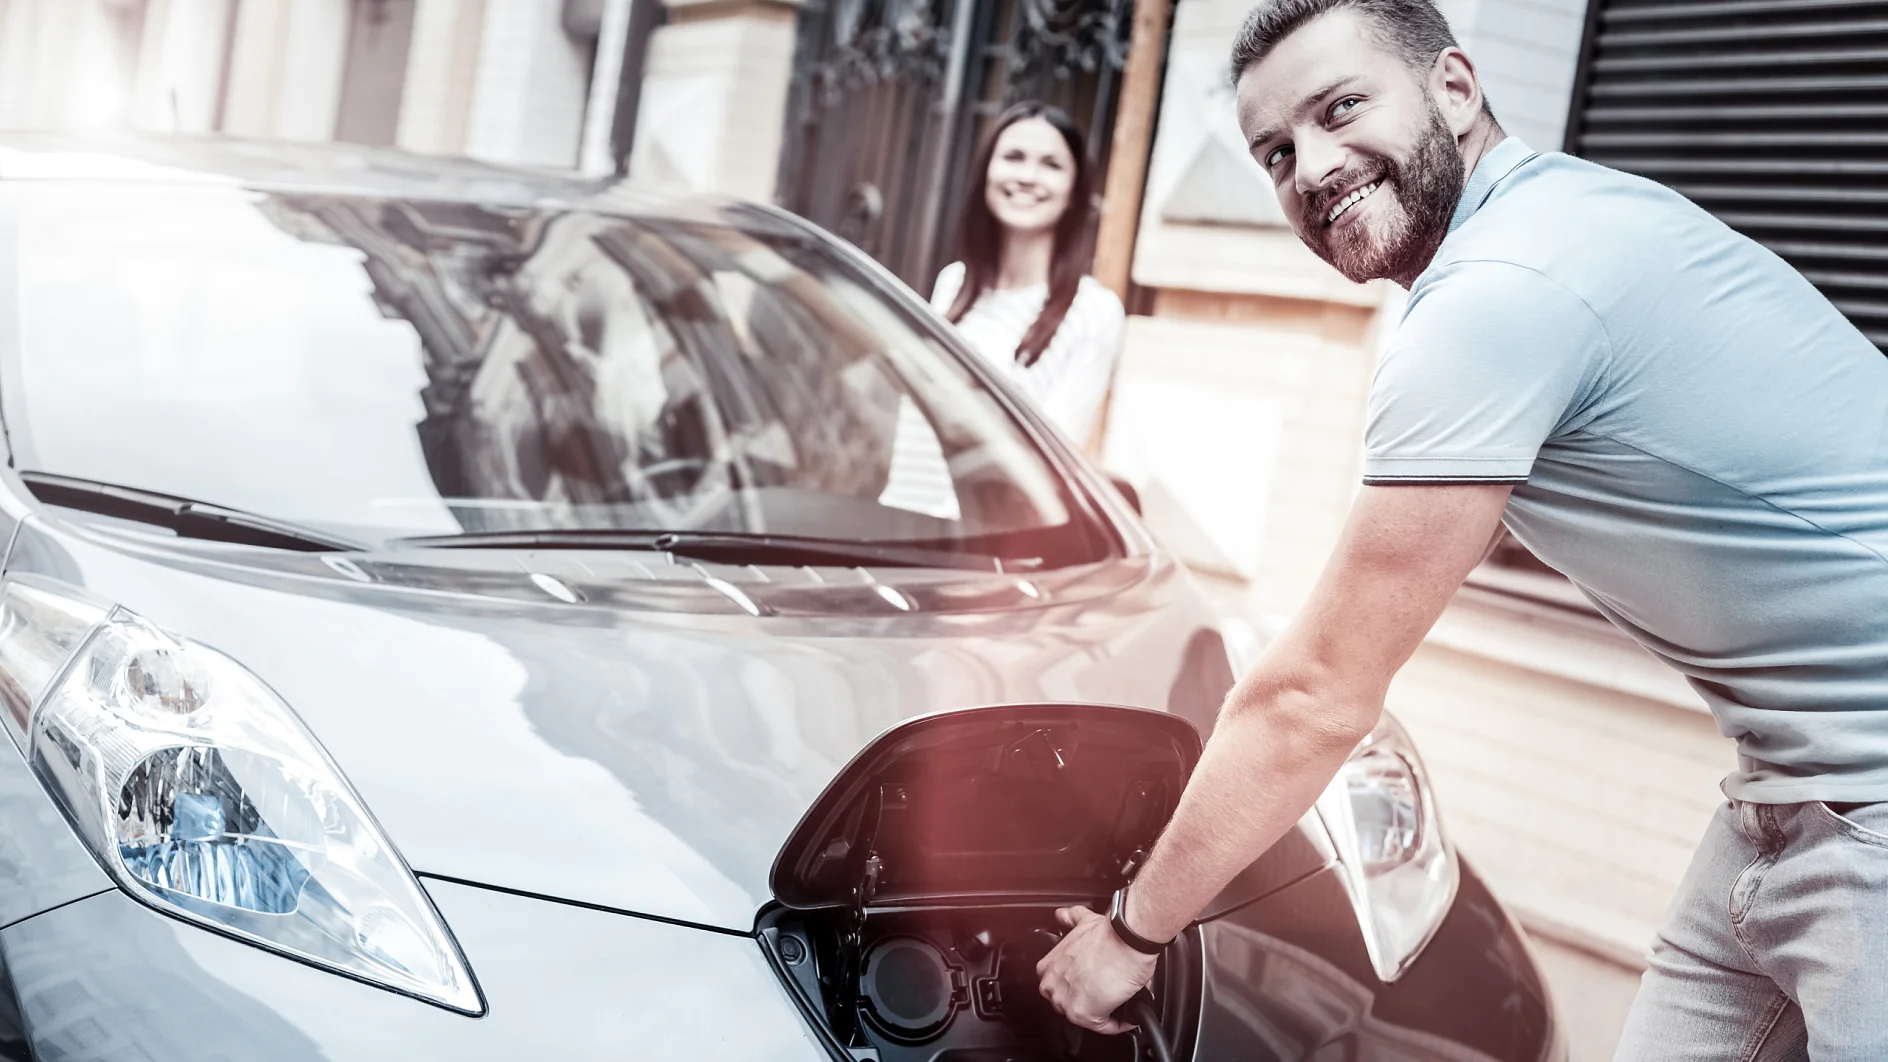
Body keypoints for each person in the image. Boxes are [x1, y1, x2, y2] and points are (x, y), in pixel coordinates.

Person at [1032, 0, 1888, 1057]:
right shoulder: (1560, 221)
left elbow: (1314, 695)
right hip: (1795, 786)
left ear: (1455, 86)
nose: (1311, 165)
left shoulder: (1498, 292)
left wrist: (1130, 932)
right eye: (1273, 151)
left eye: (1341, 107)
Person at [931, 101, 1126, 444]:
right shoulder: (953, 283)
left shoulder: (1094, 311)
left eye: (1051, 164)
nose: (1027, 177)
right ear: (986, 172)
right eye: (1014, 157)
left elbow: (1054, 458)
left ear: (1073, 192)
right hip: (900, 498)